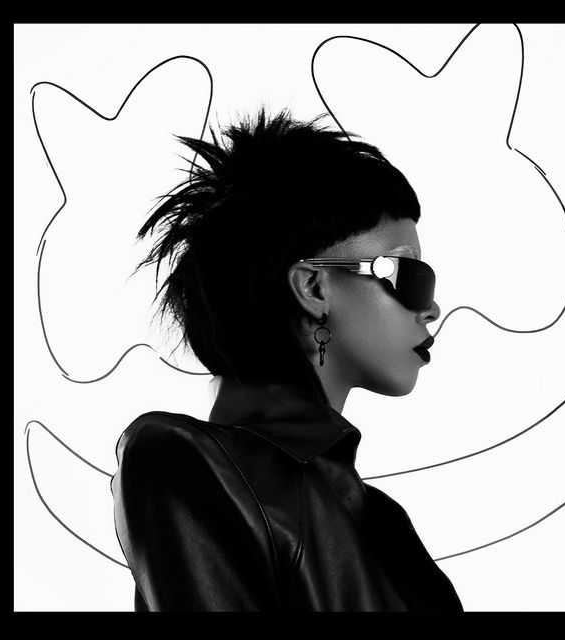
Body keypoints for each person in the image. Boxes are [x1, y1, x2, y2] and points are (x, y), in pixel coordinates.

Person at [110, 106, 464, 612]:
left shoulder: (383, 520)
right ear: (313, 287)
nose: (429, 308)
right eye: (406, 275)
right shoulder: (184, 461)